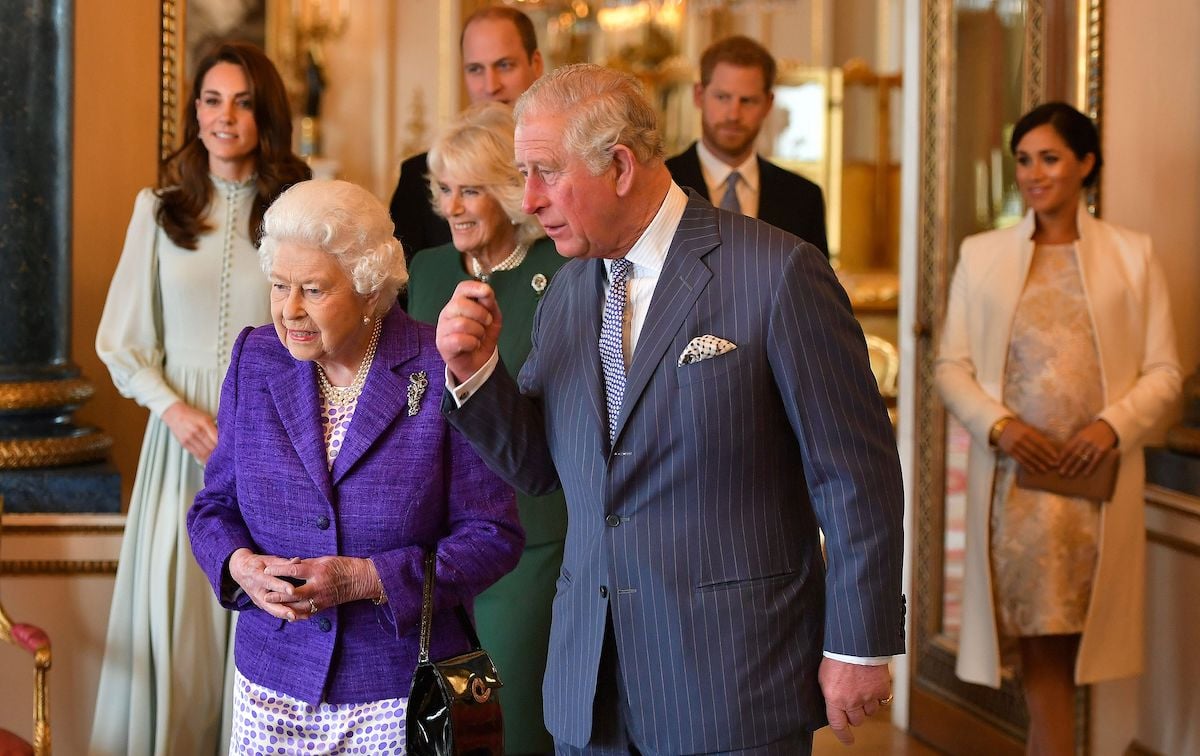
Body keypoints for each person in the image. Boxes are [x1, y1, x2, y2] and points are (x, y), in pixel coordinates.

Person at [436, 63, 904, 754]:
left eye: (544, 172)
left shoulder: (778, 274)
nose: (527, 200)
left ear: (620, 165)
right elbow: (539, 469)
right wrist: (476, 376)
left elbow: (855, 475)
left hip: (732, 683)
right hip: (590, 688)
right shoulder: (567, 292)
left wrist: (859, 645)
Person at [186, 178, 523, 753]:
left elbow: (494, 536)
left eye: (313, 290)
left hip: (397, 693)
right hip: (271, 683)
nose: (289, 311)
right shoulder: (255, 357)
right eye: (279, 286)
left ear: (369, 290)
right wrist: (239, 565)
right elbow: (213, 507)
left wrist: (367, 579)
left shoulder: (438, 365)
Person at [936, 102, 1181, 755]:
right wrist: (1000, 427)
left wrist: (1110, 427)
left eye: (1049, 158)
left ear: (1086, 164)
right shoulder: (982, 255)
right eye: (1023, 160)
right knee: (1041, 654)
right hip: (1018, 496)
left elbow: (1165, 372)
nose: (1034, 174)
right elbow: (950, 368)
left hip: (1098, 491)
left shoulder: (1133, 255)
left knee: (1080, 651)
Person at [91, 40, 310, 755]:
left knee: (256, 626)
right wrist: (173, 409)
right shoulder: (158, 209)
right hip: (177, 448)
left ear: (265, 114)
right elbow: (121, 340)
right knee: (177, 628)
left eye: (244, 102)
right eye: (212, 100)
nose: (225, 116)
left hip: (272, 451)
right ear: (195, 111)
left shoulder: (296, 214)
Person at [406, 101, 567, 754]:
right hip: (437, 548)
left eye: (471, 189)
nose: (453, 206)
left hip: (530, 540)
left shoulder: (562, 271)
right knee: (444, 730)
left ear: (509, 188)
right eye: (445, 189)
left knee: (517, 725)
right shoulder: (428, 270)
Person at [389, 5, 543, 261]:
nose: (490, 86)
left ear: (535, 64)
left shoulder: (563, 170)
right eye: (475, 69)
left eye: (504, 65)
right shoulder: (418, 177)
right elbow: (402, 294)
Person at [666, 35, 829, 257]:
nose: (733, 115)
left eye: (748, 101)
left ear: (768, 104)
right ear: (699, 96)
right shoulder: (663, 183)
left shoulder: (803, 197)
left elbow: (813, 288)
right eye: (722, 97)